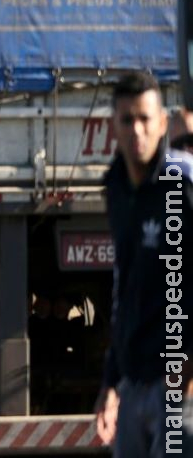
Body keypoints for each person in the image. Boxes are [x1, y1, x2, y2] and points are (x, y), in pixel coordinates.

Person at [95, 72, 193, 456]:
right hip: (135, 387)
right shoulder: (116, 189)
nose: (137, 130)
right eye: (127, 120)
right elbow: (124, 286)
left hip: (178, 391)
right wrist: (111, 382)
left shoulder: (182, 185)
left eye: (145, 119)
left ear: (162, 125)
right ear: (112, 127)